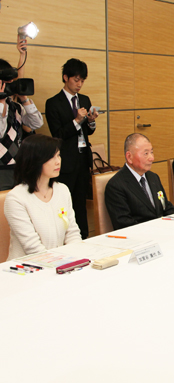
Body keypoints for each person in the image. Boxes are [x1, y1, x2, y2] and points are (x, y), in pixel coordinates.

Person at [45, 58, 100, 239]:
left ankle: (83, 238)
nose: (79, 84)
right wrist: (76, 121)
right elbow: (57, 134)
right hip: (65, 161)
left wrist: (90, 122)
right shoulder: (53, 102)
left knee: (81, 203)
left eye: (82, 80)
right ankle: (63, 239)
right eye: (76, 80)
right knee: (63, 204)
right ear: (65, 77)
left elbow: (88, 132)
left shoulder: (84, 99)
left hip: (83, 159)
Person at [4, 135, 82, 261]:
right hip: (27, 270)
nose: (58, 161)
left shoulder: (62, 190)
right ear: (35, 160)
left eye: (59, 155)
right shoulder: (16, 198)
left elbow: (72, 233)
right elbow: (32, 247)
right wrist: (63, 263)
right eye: (52, 157)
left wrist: (77, 258)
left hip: (61, 265)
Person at [105, 133, 174, 230]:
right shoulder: (116, 185)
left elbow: (166, 207)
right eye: (146, 153)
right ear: (129, 157)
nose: (152, 158)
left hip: (163, 232)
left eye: (152, 152)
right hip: (139, 238)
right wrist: (157, 230)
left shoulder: (153, 177)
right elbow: (124, 224)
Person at [0, 38, 43, 191]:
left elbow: (37, 123)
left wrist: (24, 98)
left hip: (17, 169)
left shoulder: (16, 107)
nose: (8, 85)